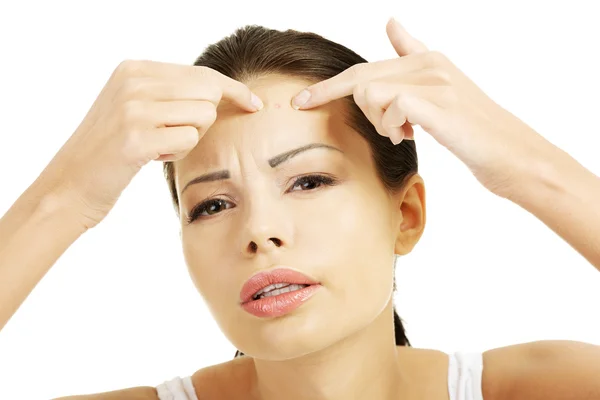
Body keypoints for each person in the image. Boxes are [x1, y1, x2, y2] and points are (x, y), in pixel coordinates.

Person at [0, 17, 599, 400]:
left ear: (407, 214)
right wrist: (63, 199)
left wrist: (533, 170)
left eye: (309, 181)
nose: (260, 232)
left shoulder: (538, 389)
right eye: (210, 204)